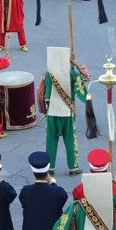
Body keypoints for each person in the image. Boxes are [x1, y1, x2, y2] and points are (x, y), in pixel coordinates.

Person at [39, 47, 88, 175]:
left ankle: (49, 168)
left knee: (51, 141)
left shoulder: (49, 74)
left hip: (52, 113)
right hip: (67, 113)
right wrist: (80, 70)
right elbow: (83, 91)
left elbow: (46, 95)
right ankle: (73, 168)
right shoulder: (73, 75)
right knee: (70, 141)